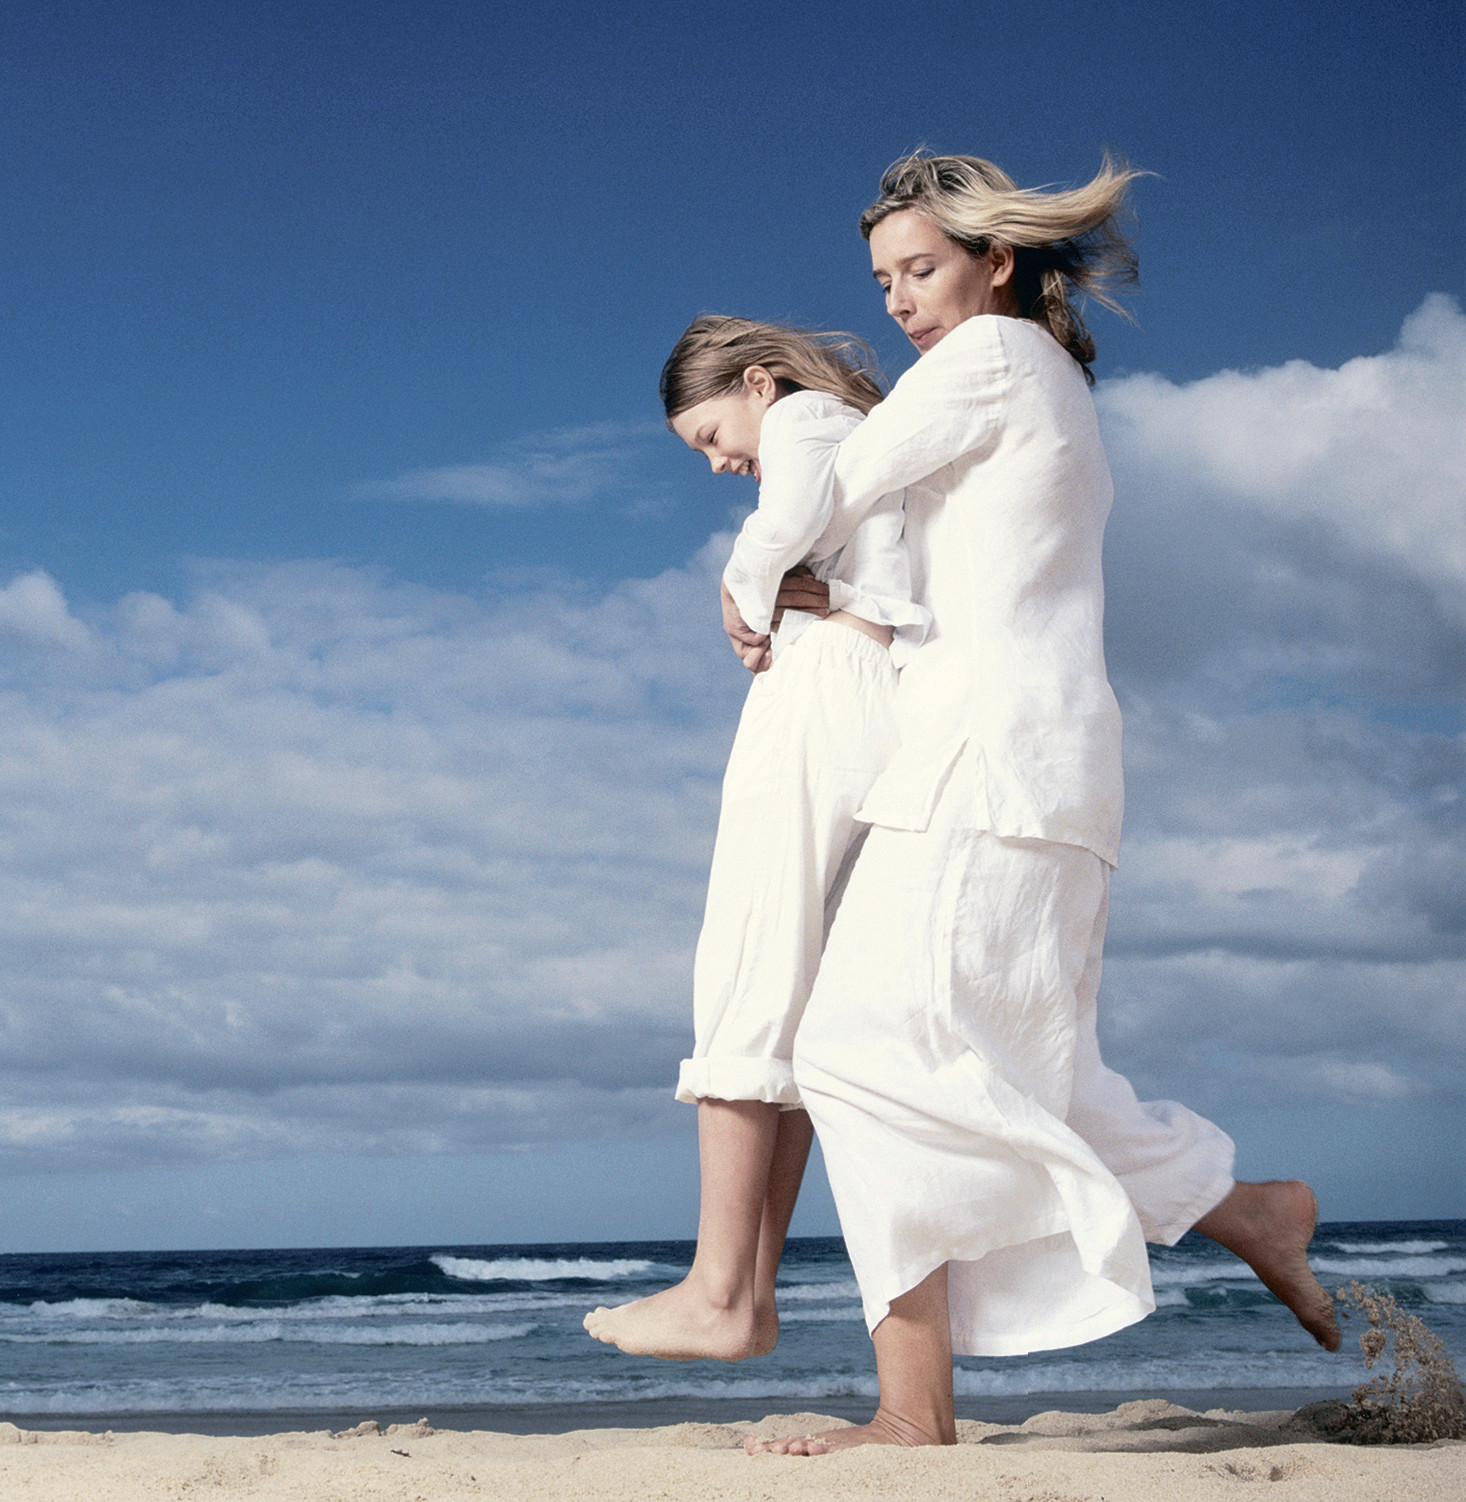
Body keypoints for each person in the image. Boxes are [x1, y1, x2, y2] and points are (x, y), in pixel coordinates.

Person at [722, 152, 1342, 1455]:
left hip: (990, 767)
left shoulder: (991, 358)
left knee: (849, 1049)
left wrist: (748, 575)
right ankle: (1247, 1208)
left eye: (919, 269)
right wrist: (825, 593)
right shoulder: (1034, 379)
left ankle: (913, 1410)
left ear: (994, 261)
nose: (898, 301)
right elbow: (953, 590)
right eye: (881, 280)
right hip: (1032, 768)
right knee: (1028, 1071)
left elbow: (824, 486)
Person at [584, 316, 928, 1361]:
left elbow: (782, 519)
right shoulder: (873, 446)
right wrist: (819, 592)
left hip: (820, 700)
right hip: (876, 695)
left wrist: (738, 590)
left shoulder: (807, 417)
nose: (717, 462)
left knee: (748, 965)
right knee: (802, 1003)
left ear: (759, 383)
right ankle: (746, 1292)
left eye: (710, 435)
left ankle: (721, 1290)